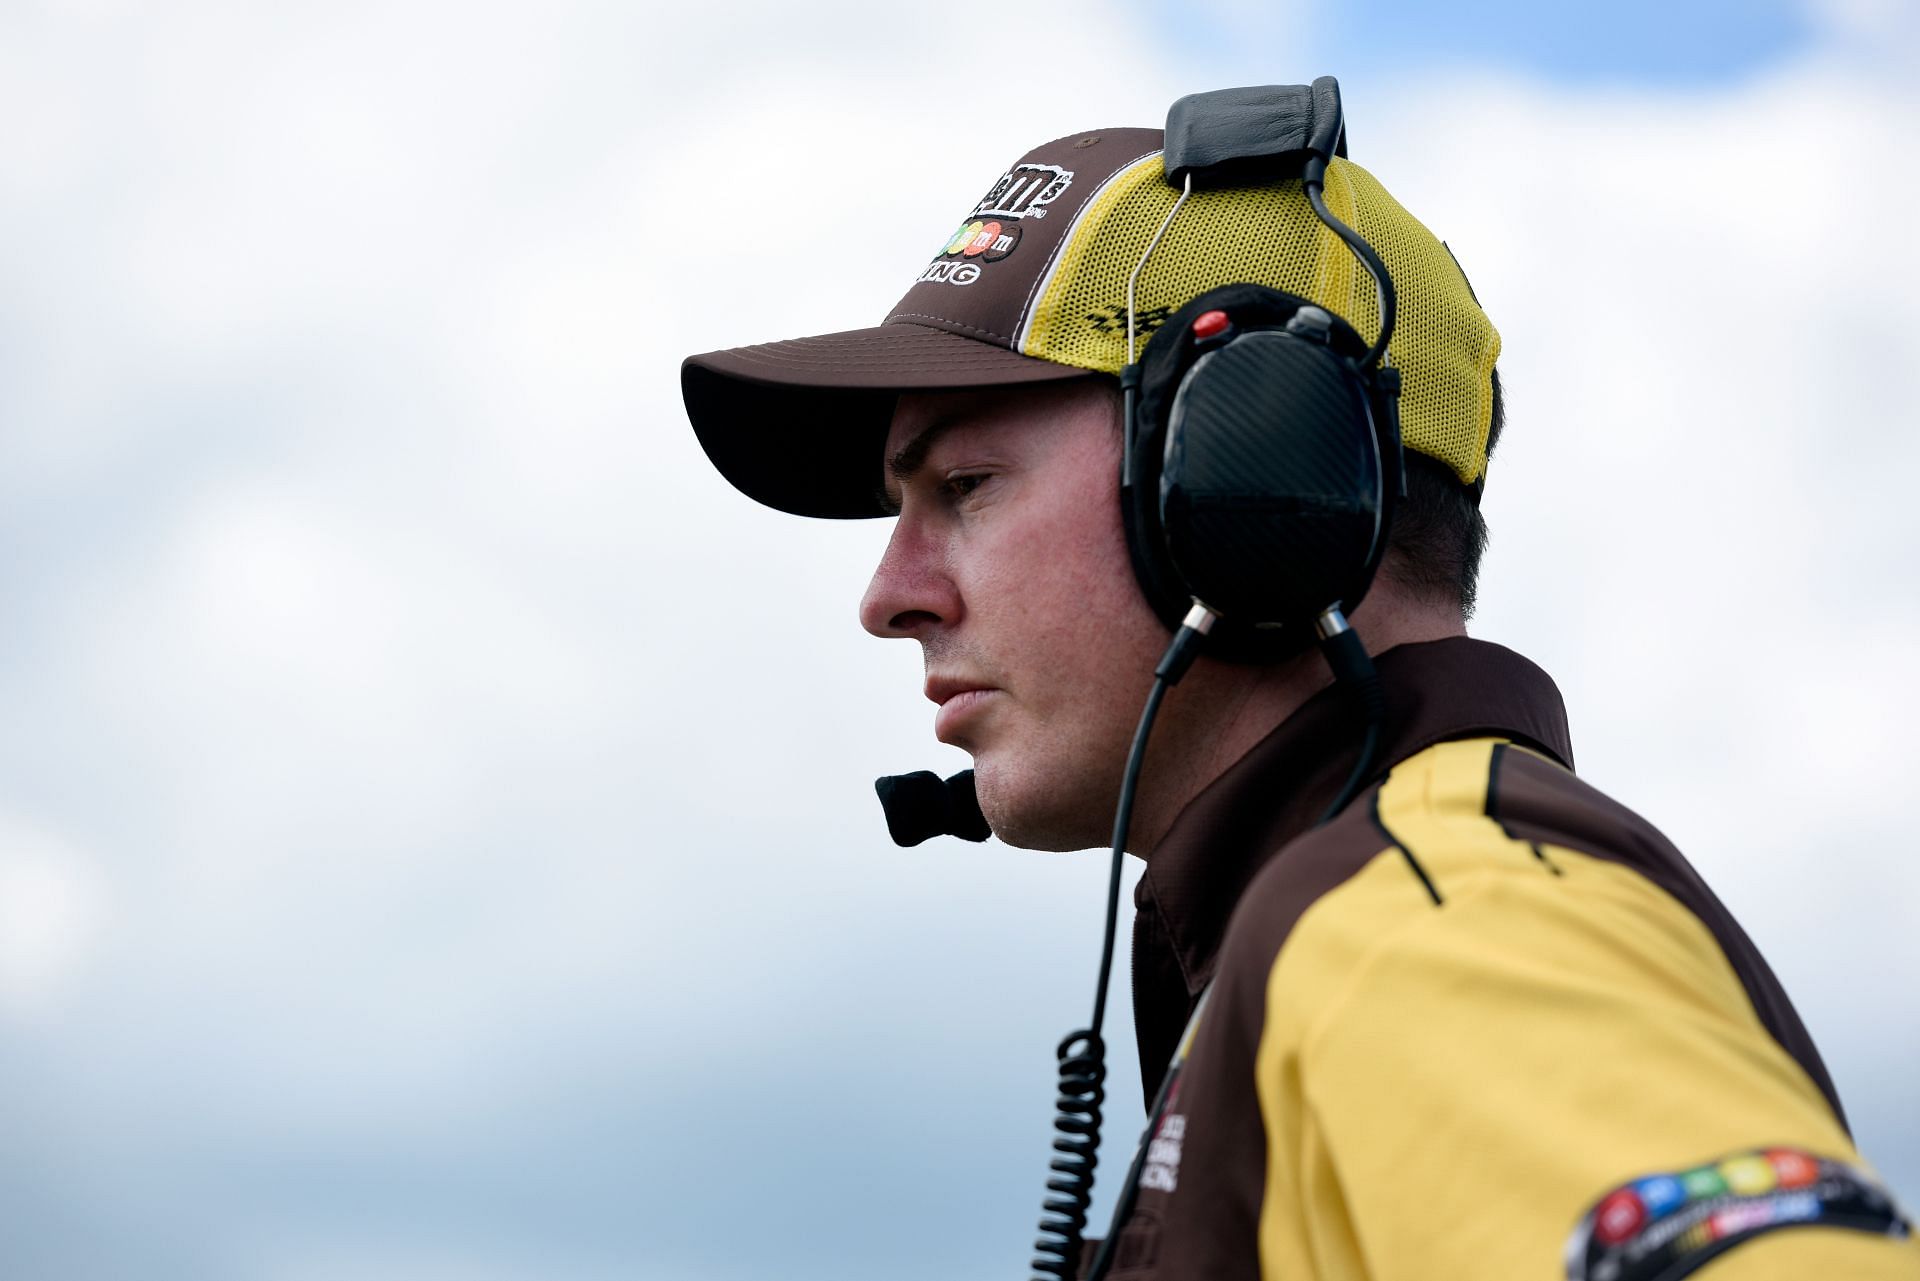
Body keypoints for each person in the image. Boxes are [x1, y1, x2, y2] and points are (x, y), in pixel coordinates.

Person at [680, 81, 1918, 1281]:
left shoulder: (1435, 926)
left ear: (1238, 481)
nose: (889, 595)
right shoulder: (1373, 915)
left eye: (964, 489)